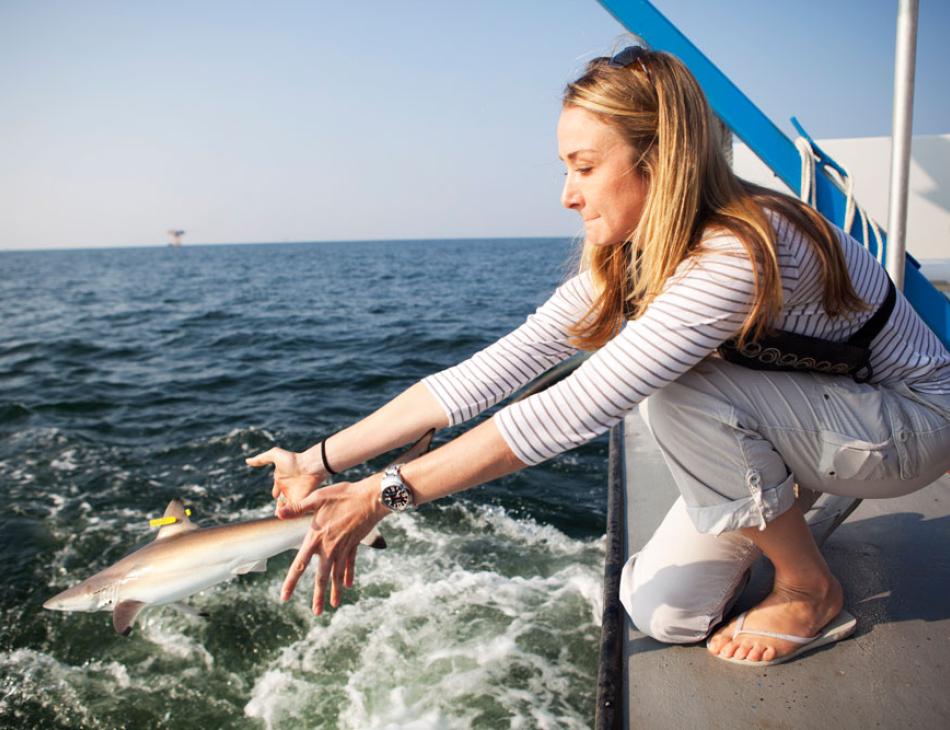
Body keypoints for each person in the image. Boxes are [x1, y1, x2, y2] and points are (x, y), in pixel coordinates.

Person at [246, 46, 950, 666]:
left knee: (677, 390)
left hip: (910, 423)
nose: (566, 194)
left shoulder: (738, 251)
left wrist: (382, 495)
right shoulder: (642, 253)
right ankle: (800, 505)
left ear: (658, 161)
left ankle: (810, 587)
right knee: (665, 613)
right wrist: (318, 460)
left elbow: (571, 409)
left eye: (584, 166)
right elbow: (499, 368)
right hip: (813, 418)